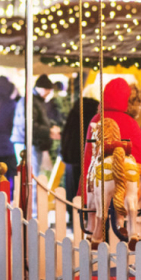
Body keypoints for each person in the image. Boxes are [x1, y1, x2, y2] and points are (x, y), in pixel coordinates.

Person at [81, 78, 141, 198]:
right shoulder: (129, 122)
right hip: (122, 184)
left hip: (96, 181)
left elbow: (89, 154)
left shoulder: (96, 119)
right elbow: (140, 151)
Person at [11, 74, 60, 215]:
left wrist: (50, 126)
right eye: (48, 90)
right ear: (40, 88)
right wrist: (49, 130)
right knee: (30, 176)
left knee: (33, 176)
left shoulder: (36, 100)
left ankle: (33, 209)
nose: (49, 93)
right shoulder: (29, 101)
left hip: (31, 143)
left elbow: (40, 120)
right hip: (26, 143)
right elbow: (29, 125)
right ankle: (32, 211)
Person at [60, 83, 99, 223]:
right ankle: (85, 217)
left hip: (71, 154)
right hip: (86, 154)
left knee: (71, 186)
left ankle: (72, 217)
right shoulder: (96, 111)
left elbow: (66, 132)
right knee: (85, 186)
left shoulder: (76, 108)